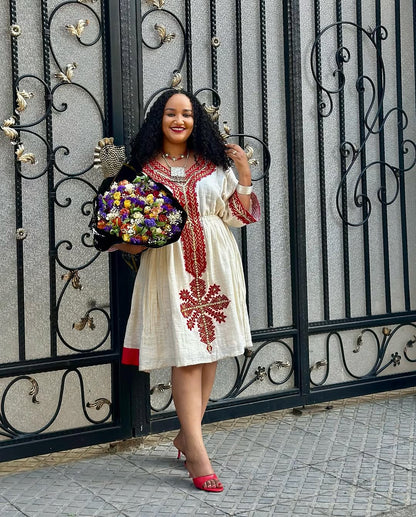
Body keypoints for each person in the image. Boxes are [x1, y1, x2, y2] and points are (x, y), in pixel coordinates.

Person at [113, 89, 260, 492]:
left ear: (197, 122)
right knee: (186, 355)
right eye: (171, 113)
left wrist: (243, 172)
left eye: (188, 114)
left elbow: (239, 216)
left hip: (217, 260)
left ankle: (185, 435)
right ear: (158, 119)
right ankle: (196, 452)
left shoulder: (214, 164)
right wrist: (125, 240)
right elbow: (134, 225)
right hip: (169, 266)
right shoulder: (141, 169)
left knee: (210, 351)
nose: (180, 120)